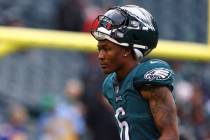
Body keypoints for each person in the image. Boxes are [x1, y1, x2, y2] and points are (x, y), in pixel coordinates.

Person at [91, 5, 179, 140]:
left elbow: (170, 135)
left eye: (107, 49)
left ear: (127, 49)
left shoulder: (148, 78)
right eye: (99, 49)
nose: (100, 55)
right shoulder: (109, 85)